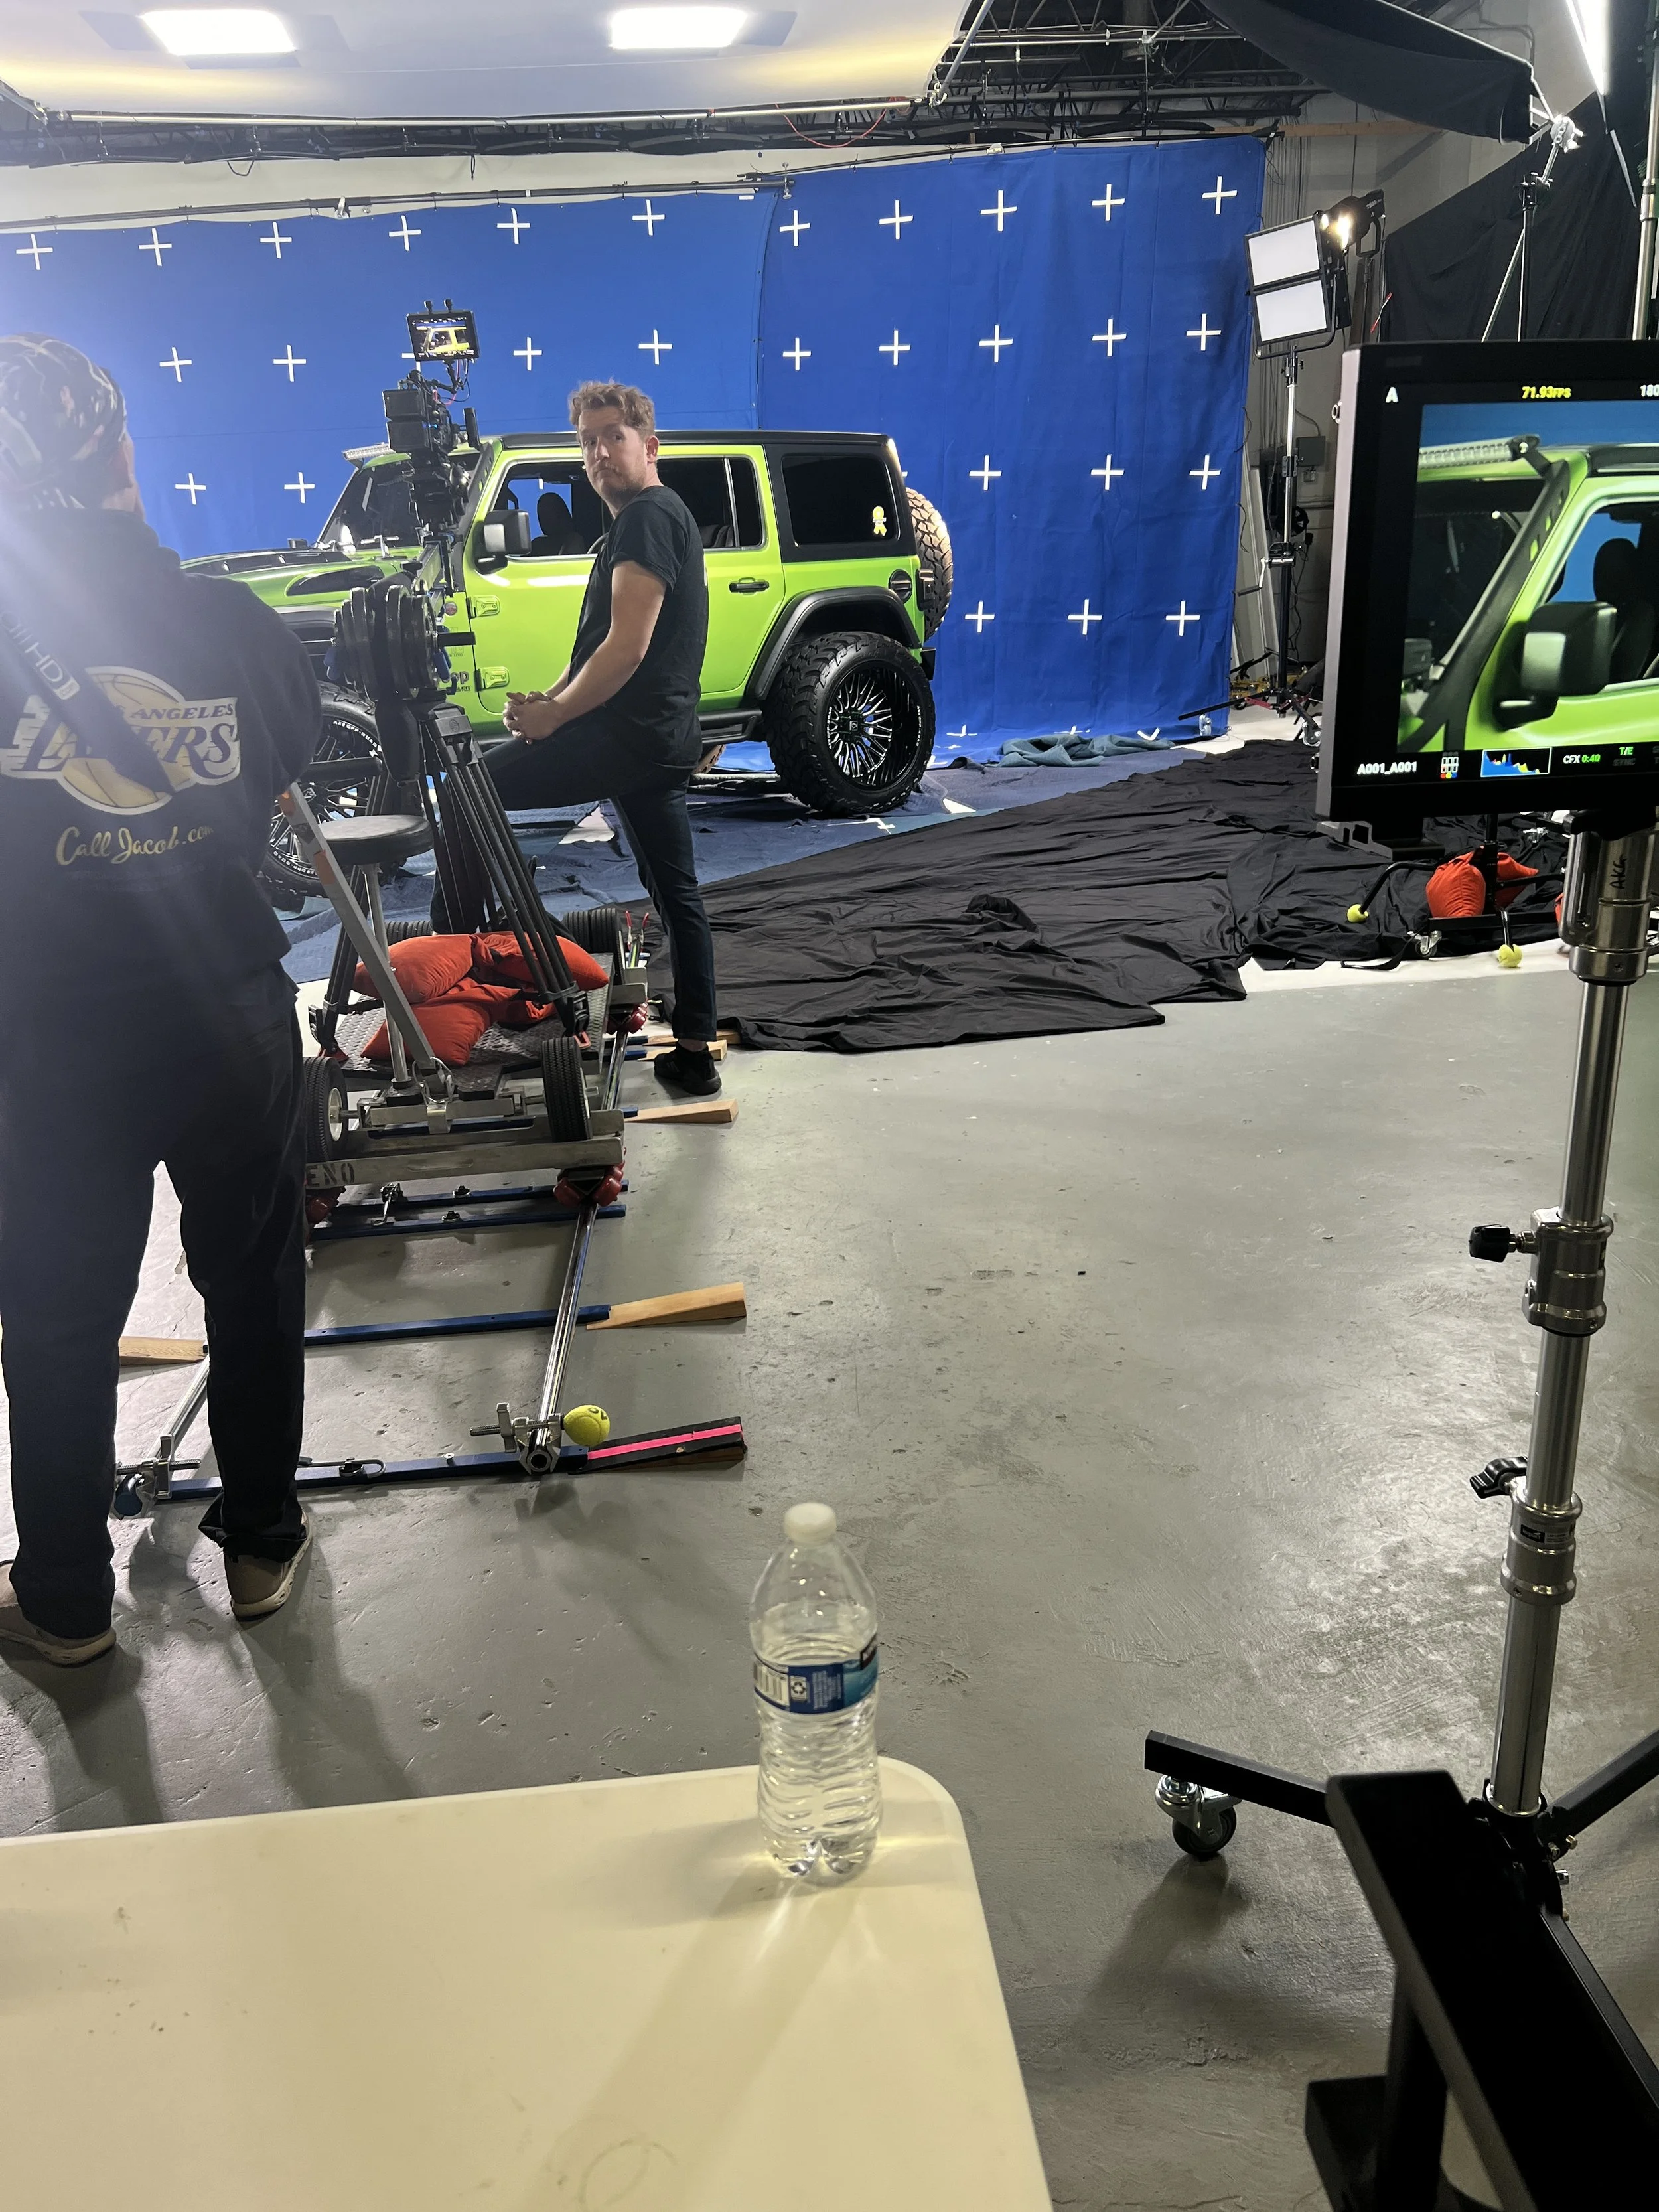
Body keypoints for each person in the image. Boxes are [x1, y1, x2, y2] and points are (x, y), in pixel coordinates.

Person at [0, 333, 319, 1664]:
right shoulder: (235, 628)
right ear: (124, 455)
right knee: (250, 1279)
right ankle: (259, 1543)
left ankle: (67, 1604)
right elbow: (288, 770)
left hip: (49, 1035)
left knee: (62, 1310)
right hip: (227, 1015)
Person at [444, 380, 721, 1096]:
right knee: (674, 891)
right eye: (587, 442)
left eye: (613, 438)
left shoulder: (646, 519)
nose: (599, 452)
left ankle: (471, 981)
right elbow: (596, 647)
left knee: (468, 796)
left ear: (648, 446)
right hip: (654, 740)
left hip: (628, 739)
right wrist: (550, 701)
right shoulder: (639, 522)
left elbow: (627, 649)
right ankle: (694, 1050)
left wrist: (559, 718)